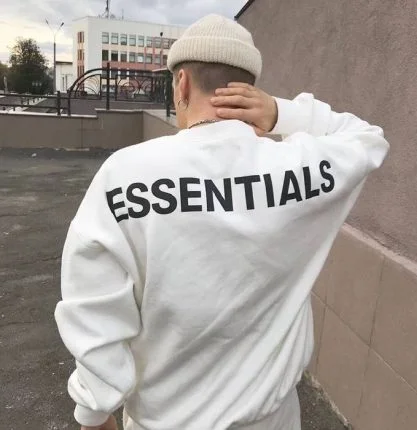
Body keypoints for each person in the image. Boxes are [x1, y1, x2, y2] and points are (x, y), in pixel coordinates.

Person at [55, 14, 389, 430]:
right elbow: (367, 138)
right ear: (248, 88)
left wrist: (93, 412)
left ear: (182, 84)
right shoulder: (299, 168)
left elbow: (95, 307)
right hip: (274, 420)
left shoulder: (124, 176)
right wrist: (280, 112)